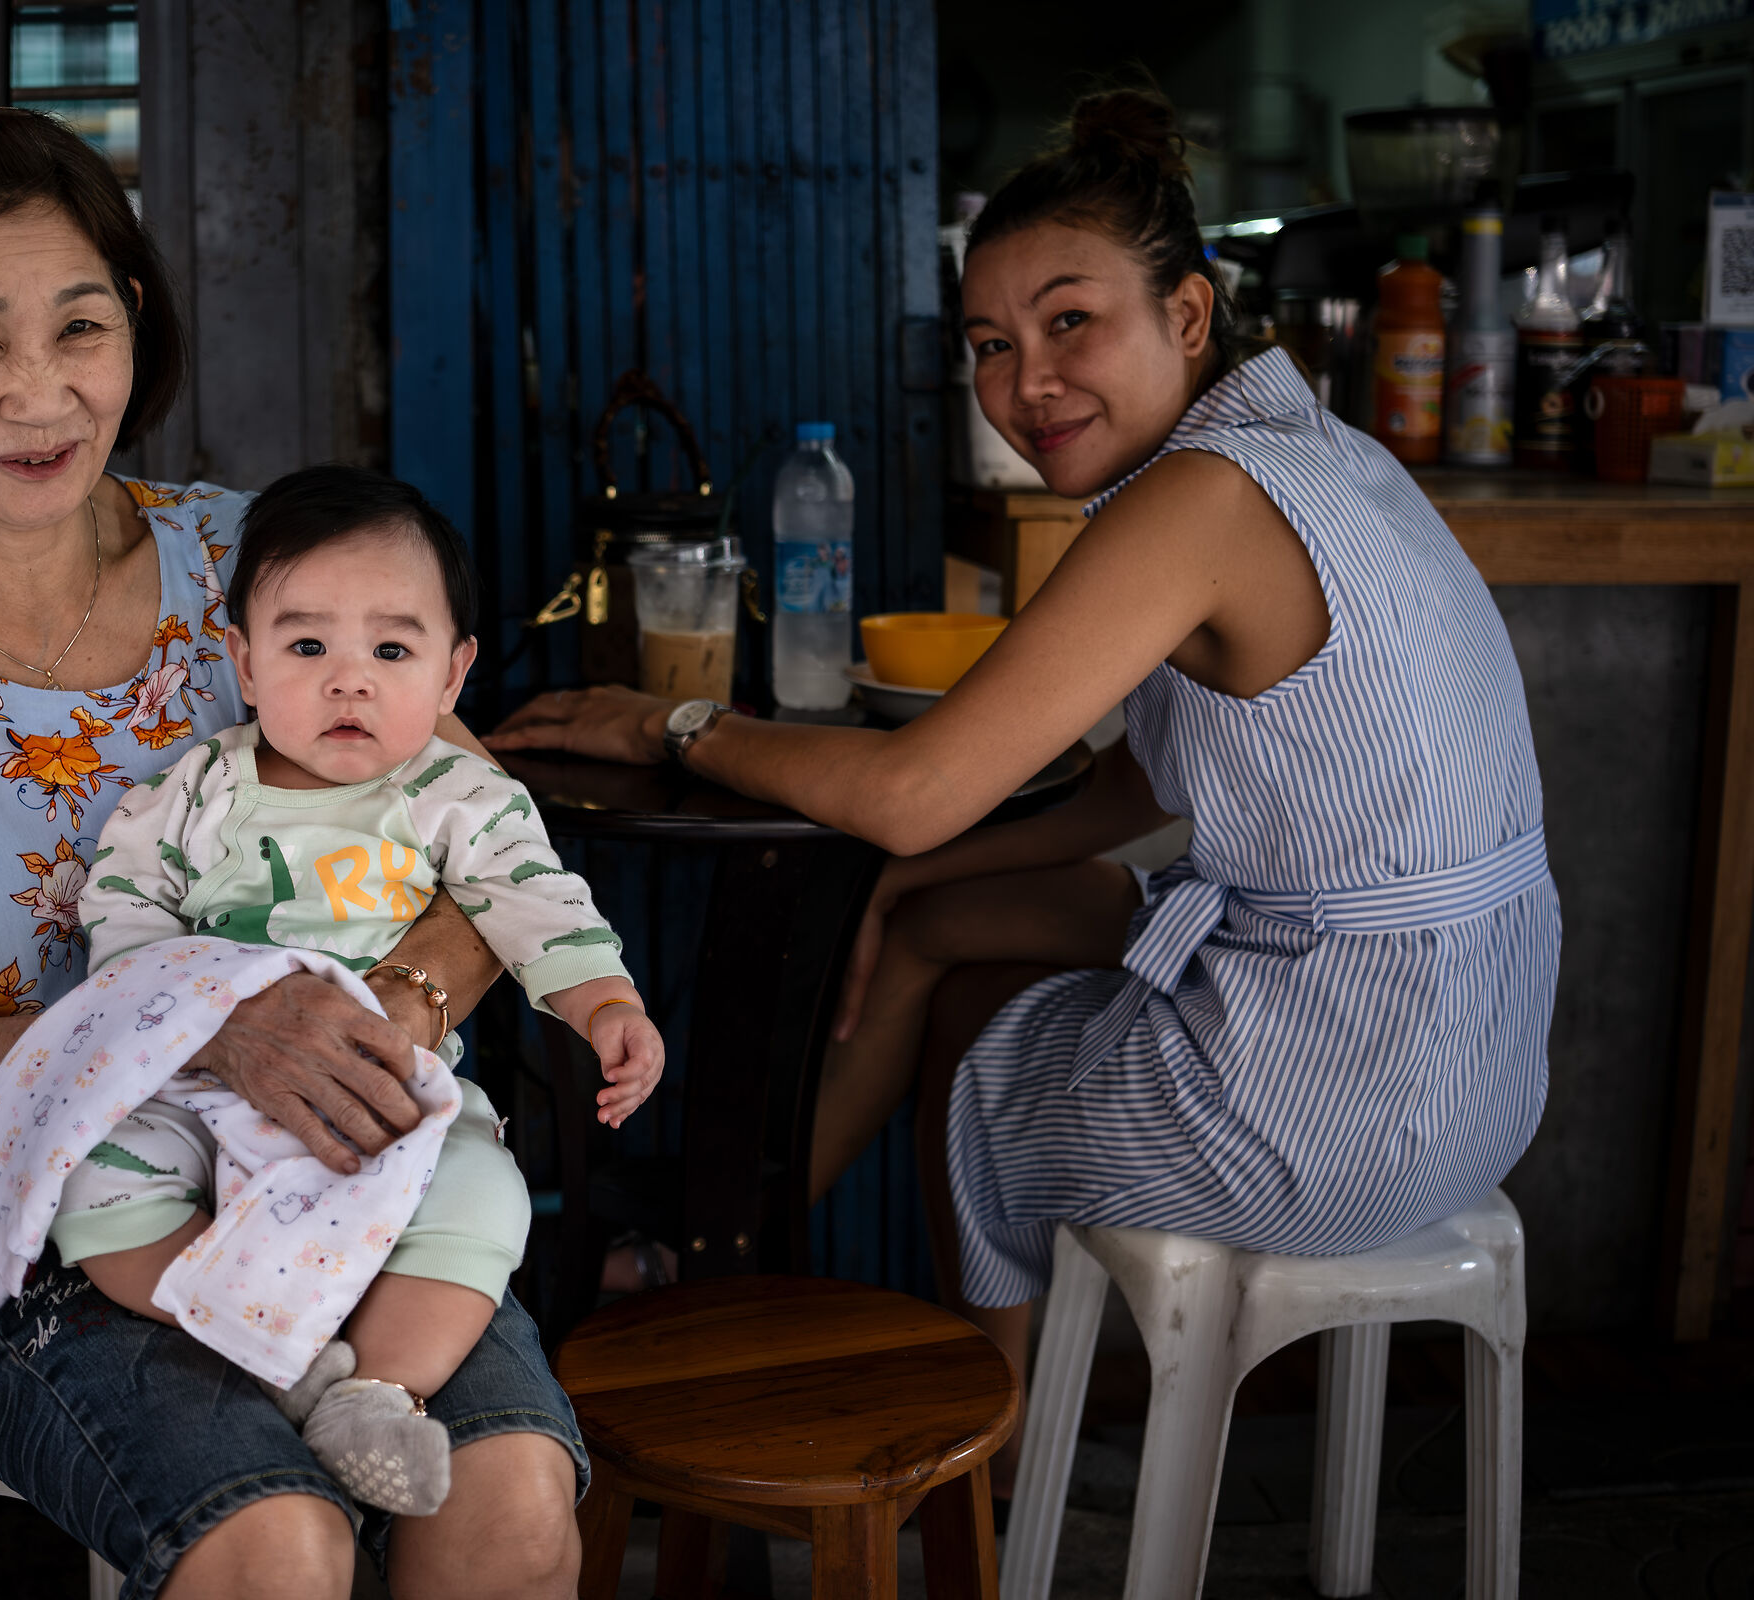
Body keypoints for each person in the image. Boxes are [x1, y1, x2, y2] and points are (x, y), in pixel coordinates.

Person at [487, 88, 1558, 1491]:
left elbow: (915, 787)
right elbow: (1144, 769)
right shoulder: (1321, 450)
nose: (1027, 383)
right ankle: (710, 1255)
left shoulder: (1202, 499)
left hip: (1340, 1097)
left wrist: (673, 722)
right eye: (992, 345)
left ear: (1186, 316)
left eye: (1071, 324)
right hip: (1476, 1059)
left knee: (979, 1052)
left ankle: (986, 1462)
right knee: (946, 926)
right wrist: (926, 883)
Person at [0, 106, 582, 1598]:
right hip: (33, 1214)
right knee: (276, 1545)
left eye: (80, 324)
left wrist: (400, 1014)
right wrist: (212, 1026)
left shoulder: (259, 566)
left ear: (135, 322)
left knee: (507, 1505)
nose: (41, 392)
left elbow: (489, 848)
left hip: (341, 1161)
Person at [49, 463, 663, 1516]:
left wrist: (606, 1003)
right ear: (241, 662)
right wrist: (203, 1017)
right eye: (306, 645)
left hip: (394, 1103)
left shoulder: (456, 795)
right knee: (94, 1197)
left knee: (483, 1199)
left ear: (454, 672)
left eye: (391, 648)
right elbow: (125, 922)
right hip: (204, 1092)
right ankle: (279, 1350)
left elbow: (538, 904)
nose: (350, 680)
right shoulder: (191, 795)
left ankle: (373, 1393)